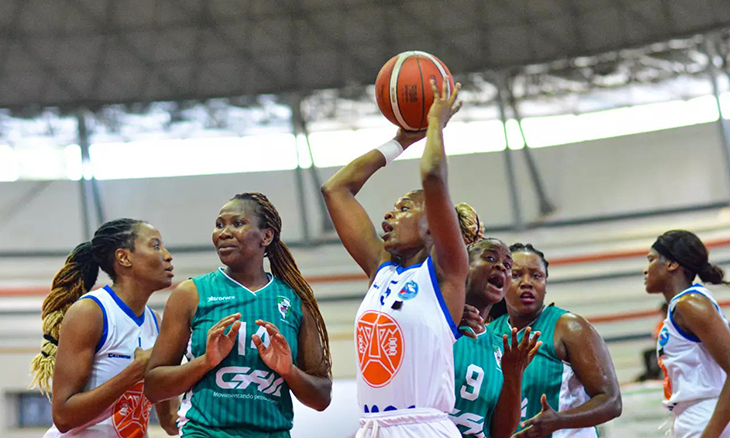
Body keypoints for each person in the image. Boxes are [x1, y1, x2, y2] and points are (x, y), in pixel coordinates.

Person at [321, 79, 468, 437]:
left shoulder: (446, 272)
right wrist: (401, 141)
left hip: (422, 428)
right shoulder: (381, 271)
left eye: (403, 209)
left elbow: (433, 176)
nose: (388, 216)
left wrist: (435, 122)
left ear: (433, 224)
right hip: (372, 428)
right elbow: (336, 189)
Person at [144, 192, 332, 438]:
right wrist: (205, 362)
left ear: (266, 236)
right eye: (219, 225)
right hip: (205, 432)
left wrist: (288, 370)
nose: (224, 232)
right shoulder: (191, 294)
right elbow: (154, 387)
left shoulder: (295, 299)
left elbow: (321, 398)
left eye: (238, 223)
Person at [29, 218, 179, 437]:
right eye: (155, 246)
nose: (167, 255)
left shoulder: (155, 321)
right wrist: (134, 372)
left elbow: (169, 420)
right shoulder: (91, 312)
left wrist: (207, 364)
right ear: (124, 257)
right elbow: (63, 417)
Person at [490, 243, 622, 438]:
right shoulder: (490, 332)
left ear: (546, 284)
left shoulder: (569, 327)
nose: (527, 283)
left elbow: (611, 401)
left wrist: (560, 420)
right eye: (517, 275)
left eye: (536, 276)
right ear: (503, 280)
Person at [451, 238, 542, 438]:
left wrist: (513, 375)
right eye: (490, 258)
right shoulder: (436, 322)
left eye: (508, 265)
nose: (501, 266)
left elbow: (501, 433)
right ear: (462, 266)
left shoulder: (500, 347)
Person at [644, 230, 730, 437]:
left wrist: (709, 434)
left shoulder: (689, 304)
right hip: (694, 415)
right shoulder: (681, 307)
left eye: (651, 260)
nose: (645, 270)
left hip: (708, 415)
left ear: (672, 264)